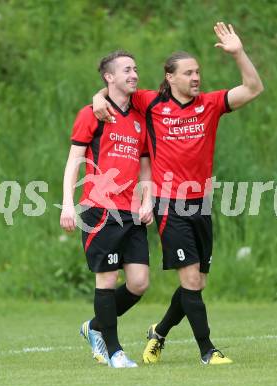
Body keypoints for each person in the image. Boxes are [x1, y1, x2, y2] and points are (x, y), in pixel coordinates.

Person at [93, 22, 264, 365]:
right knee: (189, 277)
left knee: (195, 283)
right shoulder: (151, 102)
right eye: (188, 73)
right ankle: (207, 350)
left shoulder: (211, 104)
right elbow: (114, 94)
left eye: (198, 71)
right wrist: (98, 98)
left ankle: (158, 333)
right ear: (170, 77)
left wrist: (238, 53)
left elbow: (254, 88)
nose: (196, 77)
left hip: (201, 203)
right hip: (170, 203)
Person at [60, 50, 153, 368]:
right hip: (100, 210)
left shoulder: (141, 118)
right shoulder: (92, 113)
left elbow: (144, 166)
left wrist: (147, 198)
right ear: (108, 77)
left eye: (136, 69)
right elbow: (74, 160)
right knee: (107, 281)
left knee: (139, 282)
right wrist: (68, 204)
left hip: (131, 211)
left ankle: (95, 326)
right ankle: (114, 352)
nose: (134, 74)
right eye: (127, 69)